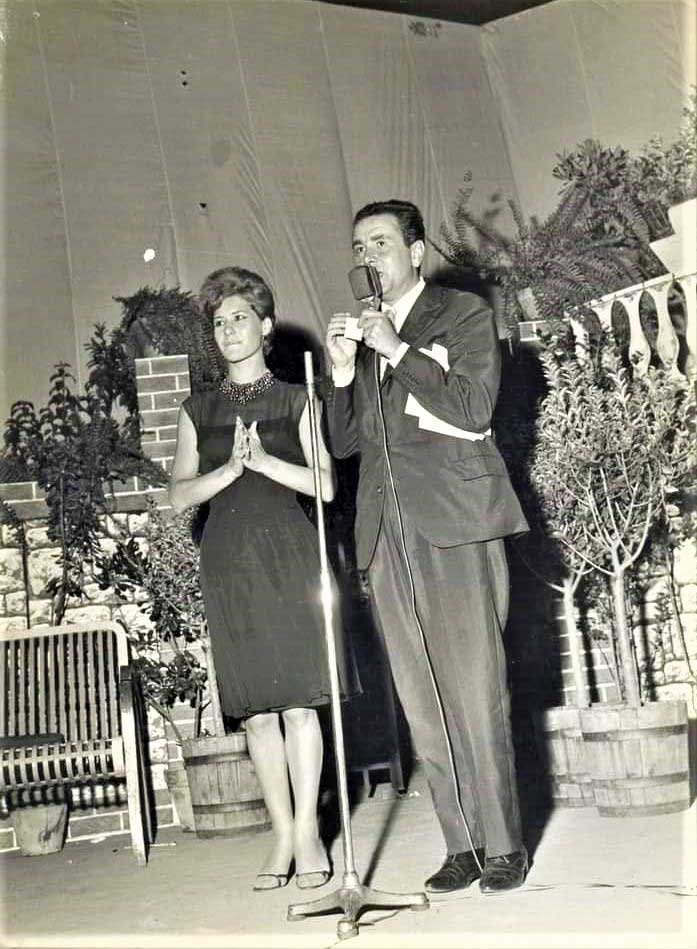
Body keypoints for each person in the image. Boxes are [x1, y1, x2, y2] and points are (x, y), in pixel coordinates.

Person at [324, 199, 530, 895]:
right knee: (419, 695)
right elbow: (345, 444)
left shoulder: (460, 313)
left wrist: (394, 349)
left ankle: (503, 844)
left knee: (474, 686)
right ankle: (460, 843)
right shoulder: (366, 335)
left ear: (415, 253)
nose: (366, 257)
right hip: (388, 532)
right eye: (358, 247)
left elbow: (472, 406)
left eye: (380, 242)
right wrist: (344, 372)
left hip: (454, 521)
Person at [169, 266, 341, 892]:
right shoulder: (198, 410)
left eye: (240, 317)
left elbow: (325, 484)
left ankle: (310, 834)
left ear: (266, 327)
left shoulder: (297, 399)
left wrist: (265, 462)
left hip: (288, 558)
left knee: (298, 704)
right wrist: (227, 473)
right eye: (219, 322)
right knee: (257, 713)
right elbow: (177, 494)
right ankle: (281, 835)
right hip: (229, 563)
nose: (229, 330)